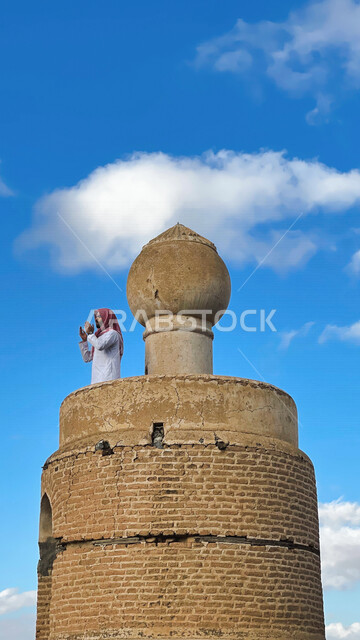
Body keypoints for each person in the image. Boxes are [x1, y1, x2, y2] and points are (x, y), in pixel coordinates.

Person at [79, 308, 124, 384]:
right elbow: (87, 358)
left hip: (109, 378)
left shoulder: (113, 333)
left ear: (106, 317)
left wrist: (90, 334)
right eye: (96, 317)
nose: (96, 319)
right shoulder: (98, 337)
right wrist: (84, 341)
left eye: (99, 316)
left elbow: (100, 345)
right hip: (97, 380)